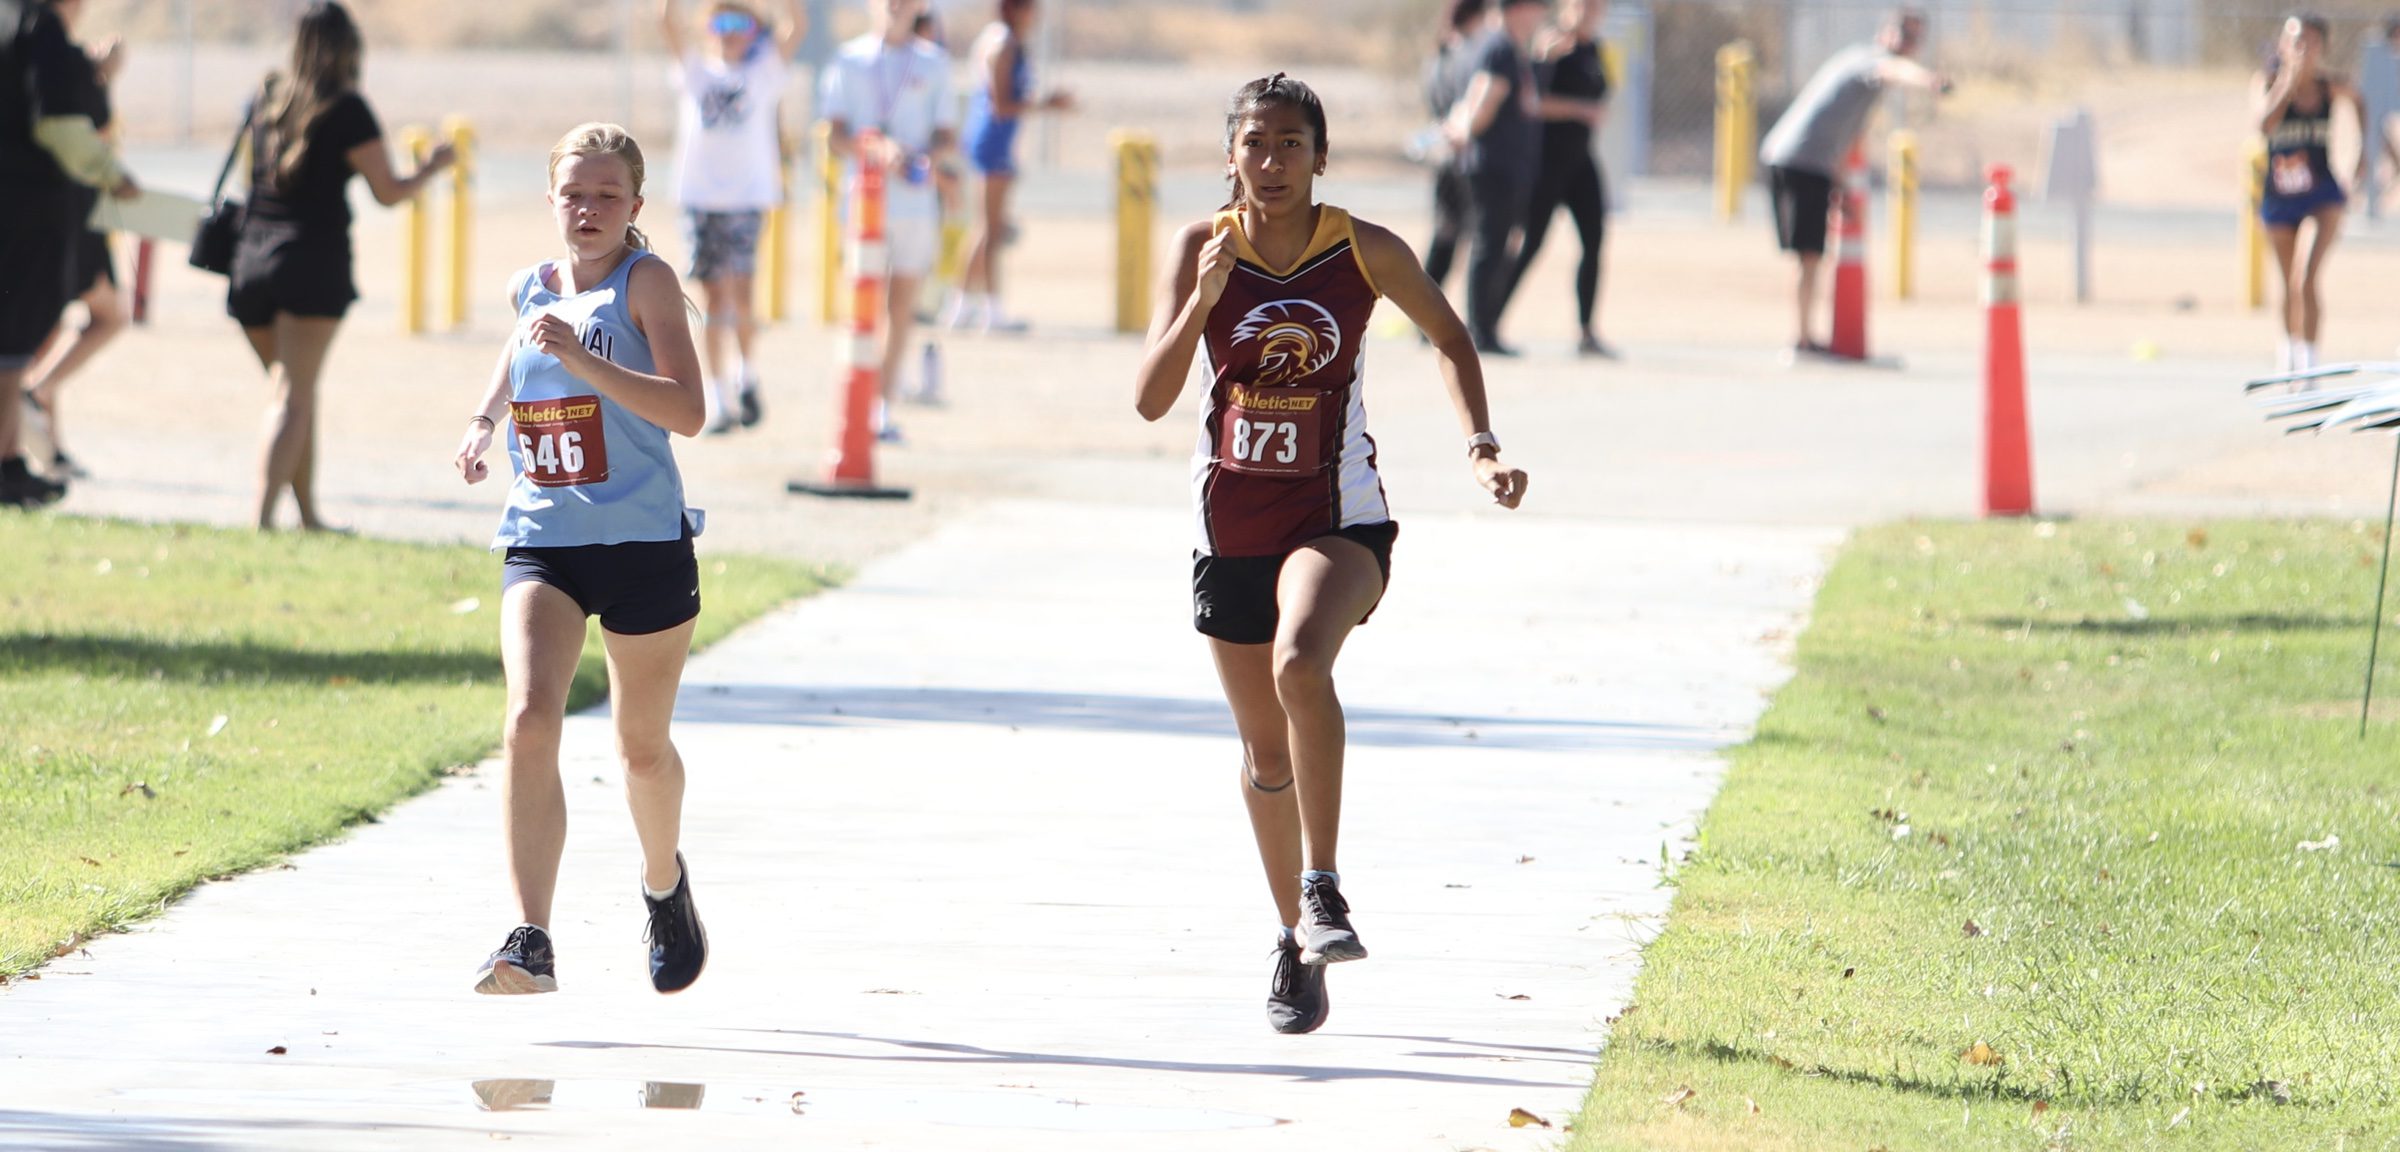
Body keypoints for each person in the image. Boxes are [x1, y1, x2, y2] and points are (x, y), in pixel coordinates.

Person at [1134, 74, 1528, 1034]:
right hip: (1231, 531)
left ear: (1320, 157)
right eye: (1255, 144)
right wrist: (1204, 299)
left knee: (1300, 663)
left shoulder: (1363, 248)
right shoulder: (1198, 247)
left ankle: (1323, 884)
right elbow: (1149, 398)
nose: (1272, 163)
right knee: (1265, 753)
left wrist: (1480, 446)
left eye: (1291, 145)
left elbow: (1449, 335)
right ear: (1230, 155)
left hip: (1336, 518)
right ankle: (1294, 937)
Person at [452, 122, 711, 998]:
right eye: (574, 194)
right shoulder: (532, 285)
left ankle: (664, 884)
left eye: (607, 196)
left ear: (635, 204)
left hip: (642, 542)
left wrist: (586, 363)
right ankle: (531, 937)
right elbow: (520, 344)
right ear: (551, 200)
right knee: (529, 719)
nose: (589, 209)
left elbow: (688, 411)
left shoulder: (647, 282)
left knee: (640, 750)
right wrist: (484, 419)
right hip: (544, 535)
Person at [232, 1, 452, 531]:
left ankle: (307, 516)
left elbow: (249, 176)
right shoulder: (347, 108)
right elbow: (388, 192)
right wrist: (430, 169)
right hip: (311, 262)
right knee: (294, 395)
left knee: (292, 393)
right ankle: (261, 520)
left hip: (250, 260)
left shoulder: (267, 96)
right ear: (349, 47)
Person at [1, 0, 132, 509]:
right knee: (14, 340)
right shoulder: (42, 29)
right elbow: (59, 125)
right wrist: (112, 174)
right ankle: (7, 460)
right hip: (27, 209)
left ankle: (16, 456)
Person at [1758, 7, 1946, 356]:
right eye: (1903, 33)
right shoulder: (1868, 60)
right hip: (1800, 161)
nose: (1906, 43)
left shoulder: (1864, 78)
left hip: (1807, 163)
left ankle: (1804, 336)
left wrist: (1840, 186)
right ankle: (1801, 338)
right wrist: (1929, 81)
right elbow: (1893, 68)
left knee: (1809, 255)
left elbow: (1842, 140)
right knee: (1808, 254)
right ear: (1886, 31)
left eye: (1914, 38)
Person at [661, 0, 805, 434]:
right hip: (701, 199)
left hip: (746, 199)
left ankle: (747, 374)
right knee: (713, 298)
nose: (730, 32)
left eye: (740, 24)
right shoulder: (695, 71)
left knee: (742, 294)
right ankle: (718, 394)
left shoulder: (763, 72)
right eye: (720, 23)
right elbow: (667, 23)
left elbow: (797, 24)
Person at [818, 0, 956, 442]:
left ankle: (883, 405)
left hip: (915, 204)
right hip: (864, 204)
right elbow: (835, 133)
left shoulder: (934, 63)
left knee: (902, 307)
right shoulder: (849, 58)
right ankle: (853, 403)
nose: (895, 6)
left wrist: (921, 159)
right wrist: (874, 149)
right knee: (863, 306)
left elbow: (947, 136)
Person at [948, 0, 1073, 334]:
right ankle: (989, 309)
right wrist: (1047, 105)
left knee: (987, 227)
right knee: (991, 229)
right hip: (992, 141)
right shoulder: (1003, 45)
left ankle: (961, 306)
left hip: (998, 142)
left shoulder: (1006, 41)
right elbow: (1000, 105)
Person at [2256, 13, 2366, 372]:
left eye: (2311, 41)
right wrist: (2288, 83)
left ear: (2322, 47)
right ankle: (2289, 353)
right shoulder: (2268, 82)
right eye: (2296, 41)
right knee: (2288, 281)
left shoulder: (2329, 87)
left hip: (2321, 195)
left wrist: (2362, 151)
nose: (2303, 48)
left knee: (2305, 276)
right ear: (2284, 45)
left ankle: (2311, 362)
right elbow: (2263, 125)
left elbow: (2359, 100)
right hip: (2280, 196)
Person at [1503, 0, 1612, 358]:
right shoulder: (1550, 44)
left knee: (1594, 241)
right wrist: (1578, 107)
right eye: (1584, 4)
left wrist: (1592, 110)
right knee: (1530, 243)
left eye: (1597, 6)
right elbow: (1532, 103)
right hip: (1547, 162)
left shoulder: (1594, 49)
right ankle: (1488, 321)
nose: (1590, 11)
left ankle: (1586, 332)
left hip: (1581, 161)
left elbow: (1601, 96)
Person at [1443, 0, 1548, 357]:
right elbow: (1484, 98)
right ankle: (1480, 329)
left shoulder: (1504, 46)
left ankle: (1484, 326)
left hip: (1505, 166)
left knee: (1493, 244)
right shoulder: (1500, 47)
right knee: (1490, 245)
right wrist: (1466, 129)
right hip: (1495, 166)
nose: (1542, 14)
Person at [1418, 0, 1486, 295]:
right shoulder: (1467, 53)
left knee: (1446, 234)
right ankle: (1426, 304)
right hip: (1462, 156)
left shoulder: (1439, 54)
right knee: (1466, 238)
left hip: (1442, 153)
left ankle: (1424, 304)